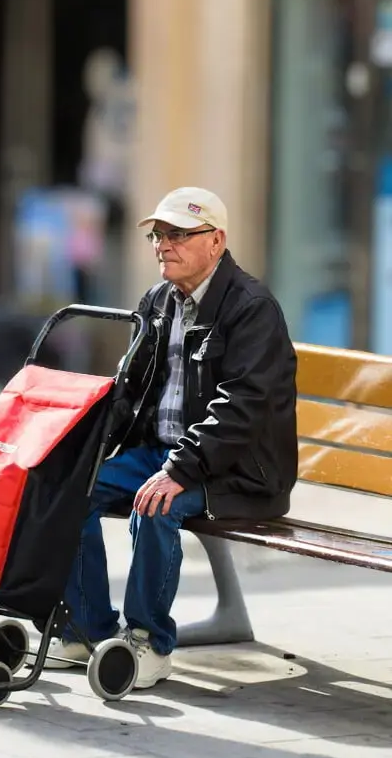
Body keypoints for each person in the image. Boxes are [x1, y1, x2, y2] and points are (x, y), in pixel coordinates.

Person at [45, 187, 298, 689]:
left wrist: (179, 470)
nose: (164, 244)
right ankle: (89, 630)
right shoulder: (158, 302)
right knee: (68, 491)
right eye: (159, 234)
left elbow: (242, 406)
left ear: (216, 241)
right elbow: (128, 390)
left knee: (157, 504)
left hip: (240, 471)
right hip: (165, 454)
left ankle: (148, 641)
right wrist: (79, 446)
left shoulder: (251, 307)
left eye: (179, 234)